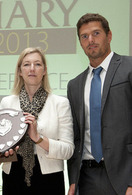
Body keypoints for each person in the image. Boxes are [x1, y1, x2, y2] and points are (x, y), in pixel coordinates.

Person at [0, 47, 74, 195]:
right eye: (26, 64)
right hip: (13, 176)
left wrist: (38, 139)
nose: (32, 68)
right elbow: (4, 146)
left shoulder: (60, 103)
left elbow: (68, 150)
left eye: (37, 64)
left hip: (49, 179)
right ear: (19, 71)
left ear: (44, 70)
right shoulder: (7, 103)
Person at [67, 13, 132, 195]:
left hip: (124, 177)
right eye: (84, 36)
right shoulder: (74, 85)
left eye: (96, 33)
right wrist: (73, 180)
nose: (91, 40)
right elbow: (76, 137)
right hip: (86, 178)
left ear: (109, 35)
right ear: (80, 42)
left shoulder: (129, 68)